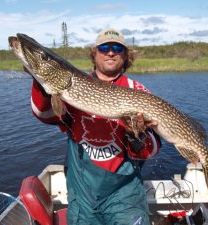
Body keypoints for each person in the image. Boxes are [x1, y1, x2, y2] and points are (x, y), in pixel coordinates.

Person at [30, 28, 161, 225]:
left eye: (117, 48)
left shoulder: (138, 91)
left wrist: (137, 135)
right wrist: (42, 84)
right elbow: (46, 115)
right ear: (94, 53)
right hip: (82, 195)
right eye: (104, 48)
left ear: (126, 56)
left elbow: (155, 146)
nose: (110, 52)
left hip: (125, 197)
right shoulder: (74, 86)